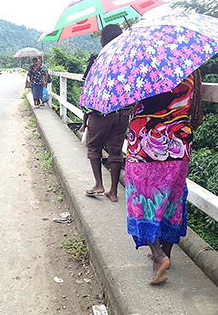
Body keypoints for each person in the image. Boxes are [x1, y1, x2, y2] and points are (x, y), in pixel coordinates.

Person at [125, 69, 203, 285]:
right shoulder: (191, 68)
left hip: (144, 145)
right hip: (179, 143)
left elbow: (133, 100)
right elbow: (195, 114)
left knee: (141, 200)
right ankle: (164, 254)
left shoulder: (141, 67)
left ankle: (158, 256)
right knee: (172, 200)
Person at [81, 24, 130, 202]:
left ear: (102, 41)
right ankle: (114, 192)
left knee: (94, 148)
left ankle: (99, 184)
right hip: (123, 112)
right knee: (116, 151)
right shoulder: (128, 59)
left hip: (101, 112)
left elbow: (86, 85)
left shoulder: (97, 59)